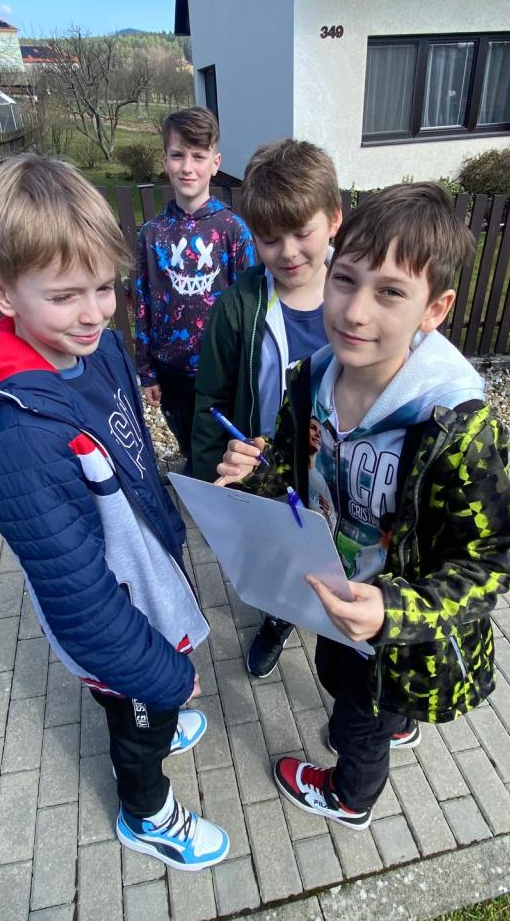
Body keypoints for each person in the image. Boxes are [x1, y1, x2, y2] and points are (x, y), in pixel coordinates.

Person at [0, 153, 229, 871]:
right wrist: (160, 676)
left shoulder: (94, 349)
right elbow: (79, 599)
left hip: (144, 580)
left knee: (151, 702)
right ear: (0, 292)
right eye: (67, 295)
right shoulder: (19, 438)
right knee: (137, 722)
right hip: (115, 620)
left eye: (104, 287)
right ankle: (147, 813)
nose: (96, 312)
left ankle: (158, 716)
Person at [216, 182, 510, 830]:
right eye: (346, 280)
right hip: (334, 603)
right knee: (346, 684)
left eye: (390, 292)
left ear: (434, 309)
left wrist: (395, 611)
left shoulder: (454, 427)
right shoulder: (311, 380)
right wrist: (254, 477)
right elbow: (292, 478)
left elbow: (496, 558)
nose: (355, 312)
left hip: (398, 639)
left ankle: (350, 796)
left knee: (355, 723)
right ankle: (394, 722)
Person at [192, 139, 342, 677]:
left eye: (302, 232)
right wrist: (212, 487)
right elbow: (211, 400)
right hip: (268, 470)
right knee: (280, 550)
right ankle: (280, 616)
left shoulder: (360, 295)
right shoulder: (240, 306)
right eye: (270, 238)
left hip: (342, 469)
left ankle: (345, 628)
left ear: (334, 219)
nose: (289, 252)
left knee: (342, 551)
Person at [135, 106, 254, 471]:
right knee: (187, 439)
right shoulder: (151, 234)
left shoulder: (233, 230)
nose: (187, 167)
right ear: (165, 160)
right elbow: (143, 302)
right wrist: (146, 369)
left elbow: (250, 303)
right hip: (171, 367)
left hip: (221, 369)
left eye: (198, 156)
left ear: (215, 163)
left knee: (223, 445)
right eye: (178, 155)